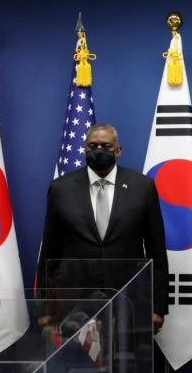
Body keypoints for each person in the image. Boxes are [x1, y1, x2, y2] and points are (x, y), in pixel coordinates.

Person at [36, 123, 169, 333]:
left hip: (128, 300)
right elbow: (49, 251)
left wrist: (158, 307)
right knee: (76, 355)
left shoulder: (142, 187)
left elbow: (157, 251)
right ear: (84, 149)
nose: (99, 150)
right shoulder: (61, 188)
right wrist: (45, 307)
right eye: (92, 146)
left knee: (124, 353)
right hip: (73, 303)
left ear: (118, 150)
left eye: (106, 146)